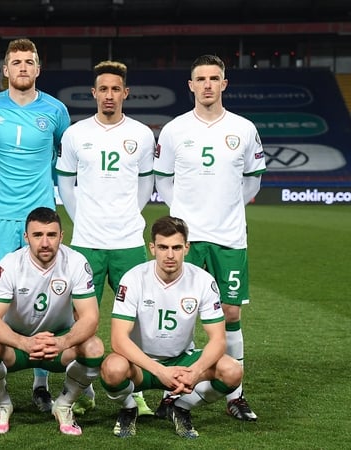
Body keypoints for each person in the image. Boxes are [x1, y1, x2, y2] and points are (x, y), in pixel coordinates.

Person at [154, 54, 265, 422]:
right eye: (200, 79)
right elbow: (163, 180)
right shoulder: (174, 130)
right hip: (187, 238)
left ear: (224, 84)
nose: (207, 85)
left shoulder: (244, 129)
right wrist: (185, 215)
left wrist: (226, 209)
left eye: (214, 78)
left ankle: (236, 395)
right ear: (191, 85)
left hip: (229, 236)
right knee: (182, 311)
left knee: (230, 312)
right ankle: (174, 388)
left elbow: (253, 180)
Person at [0, 37, 71, 412]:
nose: (23, 68)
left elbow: (65, 158)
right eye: (16, 62)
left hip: (40, 216)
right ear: (5, 69)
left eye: (29, 62)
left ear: (38, 69)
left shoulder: (56, 110)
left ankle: (41, 383)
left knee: (44, 298)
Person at [56, 60, 155, 417]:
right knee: (82, 322)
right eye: (103, 89)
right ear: (94, 93)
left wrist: (128, 215)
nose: (109, 95)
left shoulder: (142, 134)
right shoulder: (75, 134)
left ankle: (135, 390)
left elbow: (146, 183)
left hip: (128, 241)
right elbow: (65, 183)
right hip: (87, 242)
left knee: (137, 320)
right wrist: (83, 218)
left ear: (125, 93)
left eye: (116, 89)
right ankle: (82, 391)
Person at [100, 215, 244, 439]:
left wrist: (195, 372)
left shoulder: (203, 281)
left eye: (176, 247)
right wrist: (160, 371)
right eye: (163, 247)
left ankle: (181, 407)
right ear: (152, 248)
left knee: (233, 371)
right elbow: (118, 339)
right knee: (112, 369)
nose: (170, 255)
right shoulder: (133, 279)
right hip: (141, 365)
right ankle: (129, 408)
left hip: (182, 360)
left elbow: (218, 340)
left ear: (186, 248)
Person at [0, 207, 104, 436]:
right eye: (37, 235)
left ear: (61, 236)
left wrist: (63, 342)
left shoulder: (75, 262)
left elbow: (91, 318)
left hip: (57, 344)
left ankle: (64, 405)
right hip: (17, 344)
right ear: (26, 237)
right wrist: (24, 343)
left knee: (94, 347)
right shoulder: (10, 264)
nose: (45, 243)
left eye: (51, 235)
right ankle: (3, 404)